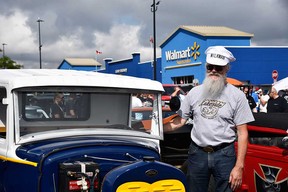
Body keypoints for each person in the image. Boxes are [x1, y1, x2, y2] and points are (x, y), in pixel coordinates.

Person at [164, 46, 254, 192]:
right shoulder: (194, 93)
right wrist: (155, 130)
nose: (213, 70)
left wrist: (239, 166)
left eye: (218, 68)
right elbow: (179, 122)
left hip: (224, 154)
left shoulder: (237, 96)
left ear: (226, 69)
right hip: (197, 153)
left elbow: (243, 133)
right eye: (210, 67)